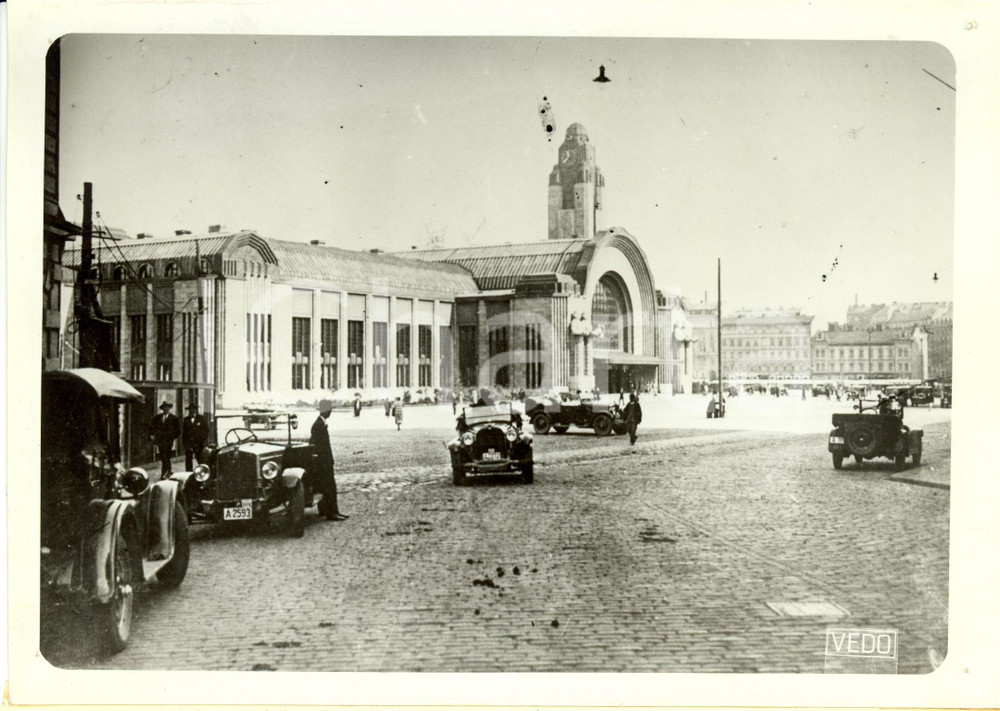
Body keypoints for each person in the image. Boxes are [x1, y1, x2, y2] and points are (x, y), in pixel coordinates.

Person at [310, 399, 348, 521]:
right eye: (329, 410)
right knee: (330, 487)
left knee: (323, 486)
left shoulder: (319, 423)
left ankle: (324, 510)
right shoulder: (319, 425)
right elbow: (318, 446)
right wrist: (325, 461)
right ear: (326, 411)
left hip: (322, 461)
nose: (330, 412)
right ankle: (332, 513)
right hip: (324, 462)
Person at [150, 400, 180, 476]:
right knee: (163, 456)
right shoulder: (157, 418)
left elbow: (178, 430)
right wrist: (153, 435)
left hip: (169, 441)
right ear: (162, 409)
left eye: (167, 407)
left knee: (167, 456)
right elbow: (153, 427)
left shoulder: (174, 418)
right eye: (164, 408)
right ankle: (168, 471)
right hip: (160, 440)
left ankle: (165, 472)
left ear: (169, 408)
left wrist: (172, 437)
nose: (165, 409)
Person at [182, 403, 209, 471]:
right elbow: (184, 432)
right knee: (188, 461)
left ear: (195, 410)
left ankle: (203, 472)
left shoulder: (201, 418)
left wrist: (202, 440)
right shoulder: (186, 419)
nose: (191, 411)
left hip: (198, 444)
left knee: (200, 460)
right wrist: (185, 443)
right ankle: (188, 474)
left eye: (193, 409)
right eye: (190, 410)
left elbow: (206, 430)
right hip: (189, 444)